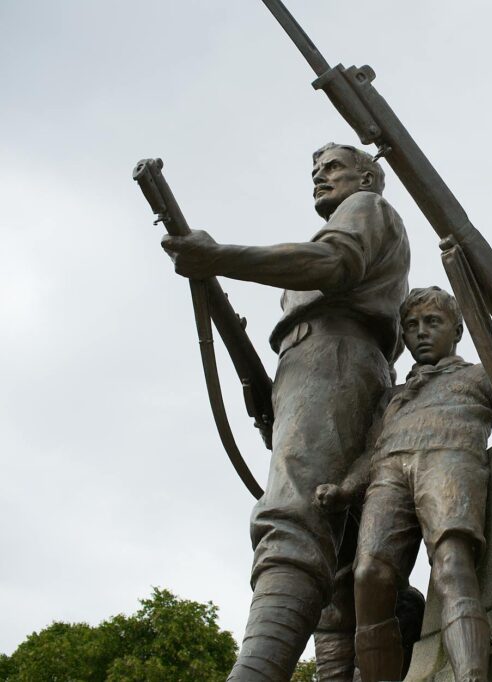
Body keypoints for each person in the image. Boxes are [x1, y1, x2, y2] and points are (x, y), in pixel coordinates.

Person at [161, 143, 410, 681]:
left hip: (334, 356)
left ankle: (256, 672)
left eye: (334, 168)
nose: (321, 178)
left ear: (369, 176)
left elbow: (333, 263)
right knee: (336, 549)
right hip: (324, 363)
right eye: (315, 172)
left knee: (294, 518)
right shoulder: (355, 218)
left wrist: (220, 256)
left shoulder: (365, 208)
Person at [319, 286, 492, 682]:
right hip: (388, 475)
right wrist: (347, 487)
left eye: (433, 323)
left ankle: (471, 675)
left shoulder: (479, 372)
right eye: (412, 326)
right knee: (368, 576)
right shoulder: (393, 398)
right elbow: (373, 450)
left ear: (458, 330)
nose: (420, 332)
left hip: (449, 460)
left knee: (452, 566)